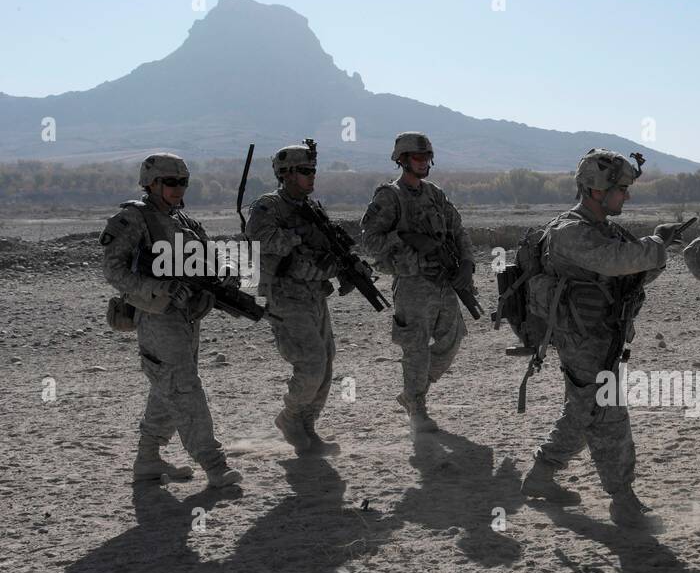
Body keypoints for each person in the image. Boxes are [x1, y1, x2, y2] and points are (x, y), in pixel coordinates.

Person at [520, 148, 689, 531]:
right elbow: (615, 262)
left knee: (587, 410)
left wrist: (657, 253)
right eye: (621, 189)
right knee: (605, 413)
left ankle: (542, 475)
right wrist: (656, 246)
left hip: (605, 335)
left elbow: (630, 276)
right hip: (579, 337)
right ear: (597, 190)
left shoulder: (606, 231)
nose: (626, 196)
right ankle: (622, 499)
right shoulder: (570, 232)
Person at [99, 153, 242, 488]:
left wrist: (225, 276)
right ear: (151, 183)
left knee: (168, 385)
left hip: (187, 317)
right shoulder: (133, 218)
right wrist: (158, 289)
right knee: (183, 387)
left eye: (183, 182)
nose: (179, 188)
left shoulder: (185, 222)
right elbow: (113, 268)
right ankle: (214, 463)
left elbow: (207, 260)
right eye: (171, 182)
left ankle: (148, 458)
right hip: (157, 316)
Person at [360, 131, 475, 434]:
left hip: (444, 280)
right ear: (402, 160)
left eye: (426, 157)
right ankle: (418, 408)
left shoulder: (434, 193)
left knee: (453, 340)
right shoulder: (390, 196)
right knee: (415, 348)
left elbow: (458, 229)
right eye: (416, 157)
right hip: (412, 283)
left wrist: (467, 262)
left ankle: (411, 394)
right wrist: (406, 237)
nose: (423, 162)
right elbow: (370, 241)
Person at [245, 140, 342, 456]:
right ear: (285, 174)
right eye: (304, 171)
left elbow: (324, 246)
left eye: (312, 170)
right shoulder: (266, 207)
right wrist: (305, 243)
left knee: (326, 363)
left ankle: (306, 428)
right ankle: (289, 418)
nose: (311, 176)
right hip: (286, 297)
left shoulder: (311, 208)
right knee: (311, 363)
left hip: (314, 296)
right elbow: (262, 238)